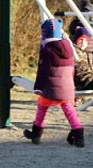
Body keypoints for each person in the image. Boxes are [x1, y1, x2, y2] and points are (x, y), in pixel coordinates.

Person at [23, 18, 85, 148]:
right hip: (68, 88)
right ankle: (78, 134)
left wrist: (38, 87)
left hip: (52, 89)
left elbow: (43, 70)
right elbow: (72, 69)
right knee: (69, 108)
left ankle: (36, 133)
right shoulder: (68, 47)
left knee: (42, 105)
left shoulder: (47, 49)